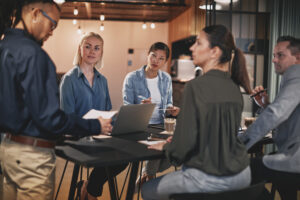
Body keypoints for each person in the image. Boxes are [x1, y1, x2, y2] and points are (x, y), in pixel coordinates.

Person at [0, 1, 112, 200]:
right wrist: (94, 126)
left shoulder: (5, 44)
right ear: (35, 14)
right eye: (52, 24)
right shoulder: (34, 55)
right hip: (31, 157)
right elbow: (51, 118)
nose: (52, 31)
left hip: (9, 151)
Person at [141, 25, 252, 200]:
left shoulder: (195, 86)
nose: (192, 48)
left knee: (147, 190)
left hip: (211, 177)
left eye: (198, 43)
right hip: (242, 175)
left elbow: (180, 151)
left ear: (214, 52)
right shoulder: (234, 87)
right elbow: (215, 135)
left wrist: (169, 146)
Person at [60, 32, 127, 200]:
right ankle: (92, 192)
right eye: (87, 46)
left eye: (97, 48)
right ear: (80, 49)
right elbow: (67, 117)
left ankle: (89, 187)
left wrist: (114, 121)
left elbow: (107, 110)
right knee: (109, 157)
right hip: (77, 137)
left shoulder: (102, 80)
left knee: (124, 156)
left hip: (100, 135)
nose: (92, 51)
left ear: (101, 53)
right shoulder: (69, 79)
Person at [240, 36, 300, 200]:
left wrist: (240, 145)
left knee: (242, 170)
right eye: (274, 55)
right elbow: (287, 115)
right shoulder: (290, 78)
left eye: (280, 55)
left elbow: (276, 114)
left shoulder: (296, 75)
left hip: (295, 159)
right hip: (291, 153)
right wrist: (266, 105)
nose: (274, 60)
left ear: (298, 57)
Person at [122, 42, 179, 184]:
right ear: (148, 55)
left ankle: (146, 174)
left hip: (161, 125)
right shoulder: (132, 78)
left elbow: (168, 103)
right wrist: (140, 108)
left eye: (161, 58)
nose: (156, 61)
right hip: (141, 126)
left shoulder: (166, 78)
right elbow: (127, 108)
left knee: (181, 145)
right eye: (154, 56)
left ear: (165, 62)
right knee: (158, 145)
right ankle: (149, 178)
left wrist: (172, 109)